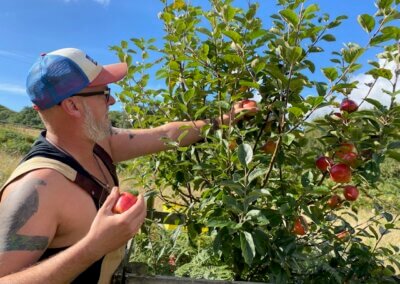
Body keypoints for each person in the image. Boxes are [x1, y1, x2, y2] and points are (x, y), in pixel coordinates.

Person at [0, 48, 257, 283]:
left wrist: (226, 119)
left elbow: (166, 134)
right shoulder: (38, 188)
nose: (111, 101)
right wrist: (92, 248)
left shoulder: (100, 144)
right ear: (73, 105)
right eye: (104, 93)